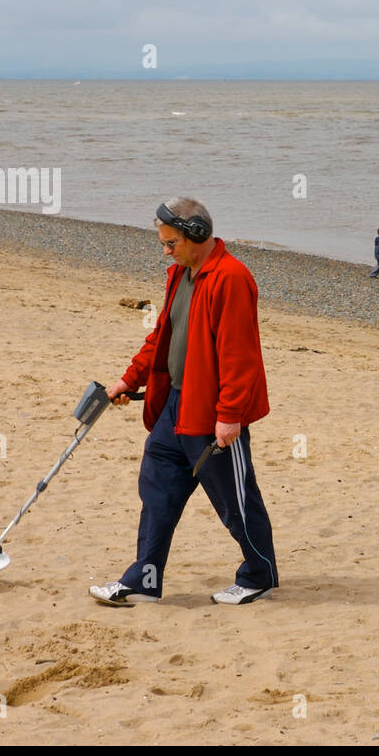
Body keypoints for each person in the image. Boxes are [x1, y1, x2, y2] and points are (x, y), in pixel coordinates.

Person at [89, 197, 278, 607]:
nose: (166, 251)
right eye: (163, 243)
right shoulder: (180, 274)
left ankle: (259, 575)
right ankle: (144, 580)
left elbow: (239, 356)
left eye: (171, 242)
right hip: (174, 408)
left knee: (236, 504)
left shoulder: (231, 278)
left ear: (197, 234)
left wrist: (229, 417)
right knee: (157, 494)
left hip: (212, 416)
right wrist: (129, 379)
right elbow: (161, 336)